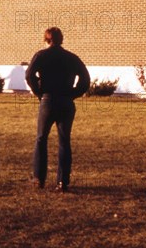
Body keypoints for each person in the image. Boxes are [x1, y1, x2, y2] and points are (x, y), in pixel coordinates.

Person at [25, 27, 90, 193]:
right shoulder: (72, 58)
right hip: (66, 101)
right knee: (64, 141)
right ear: (62, 39)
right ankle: (62, 182)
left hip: (48, 100)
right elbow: (85, 79)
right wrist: (73, 93)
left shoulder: (41, 55)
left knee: (41, 139)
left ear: (46, 40)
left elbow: (29, 74)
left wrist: (39, 91)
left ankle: (38, 178)